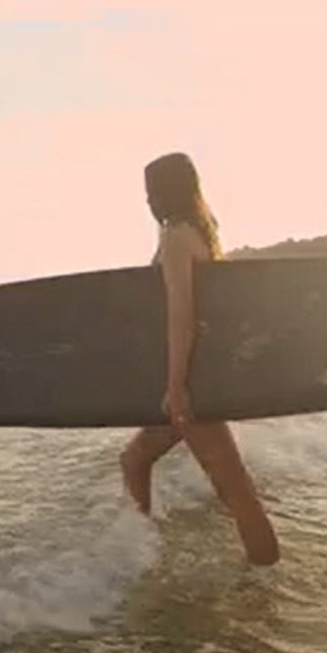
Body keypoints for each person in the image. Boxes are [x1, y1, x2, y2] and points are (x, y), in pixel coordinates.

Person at [118, 151, 281, 566]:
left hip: (193, 381)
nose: (145, 200)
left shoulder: (176, 238)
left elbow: (182, 315)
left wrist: (176, 387)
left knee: (234, 490)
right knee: (135, 459)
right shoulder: (199, 232)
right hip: (201, 374)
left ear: (163, 192)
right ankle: (143, 552)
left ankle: (264, 581)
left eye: (149, 190)